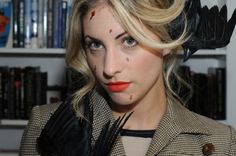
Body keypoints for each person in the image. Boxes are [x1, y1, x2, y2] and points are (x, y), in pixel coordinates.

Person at [20, 0, 236, 155]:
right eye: (95, 45)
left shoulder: (222, 142)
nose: (109, 68)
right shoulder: (47, 127)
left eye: (129, 41)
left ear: (167, 43)